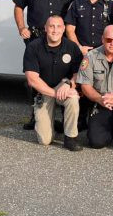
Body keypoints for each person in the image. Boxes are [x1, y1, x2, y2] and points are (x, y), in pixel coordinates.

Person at [13, 0, 79, 128]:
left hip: (61, 39)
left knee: (64, 75)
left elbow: (78, 8)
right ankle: (36, 115)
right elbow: (18, 6)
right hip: (37, 39)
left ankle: (67, 118)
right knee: (34, 79)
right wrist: (21, 28)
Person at [22, 16, 84, 151]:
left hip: (63, 86)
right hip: (43, 90)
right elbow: (32, 79)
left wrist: (69, 84)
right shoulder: (34, 47)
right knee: (45, 140)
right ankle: (52, 123)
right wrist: (55, 94)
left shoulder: (72, 47)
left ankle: (70, 138)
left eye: (58, 26)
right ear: (45, 28)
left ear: (63, 29)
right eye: (51, 26)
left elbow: (78, 74)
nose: (55, 30)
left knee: (73, 98)